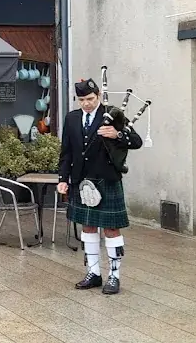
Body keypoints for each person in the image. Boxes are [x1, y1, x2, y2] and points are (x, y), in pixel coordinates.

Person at [57, 78, 142, 294]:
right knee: (87, 227)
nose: (86, 103)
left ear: (98, 96)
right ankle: (93, 273)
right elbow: (66, 152)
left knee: (111, 229)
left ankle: (114, 276)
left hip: (106, 179)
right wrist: (63, 179)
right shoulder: (72, 118)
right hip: (80, 180)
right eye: (82, 99)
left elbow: (137, 141)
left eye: (90, 99)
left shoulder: (112, 115)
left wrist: (117, 134)